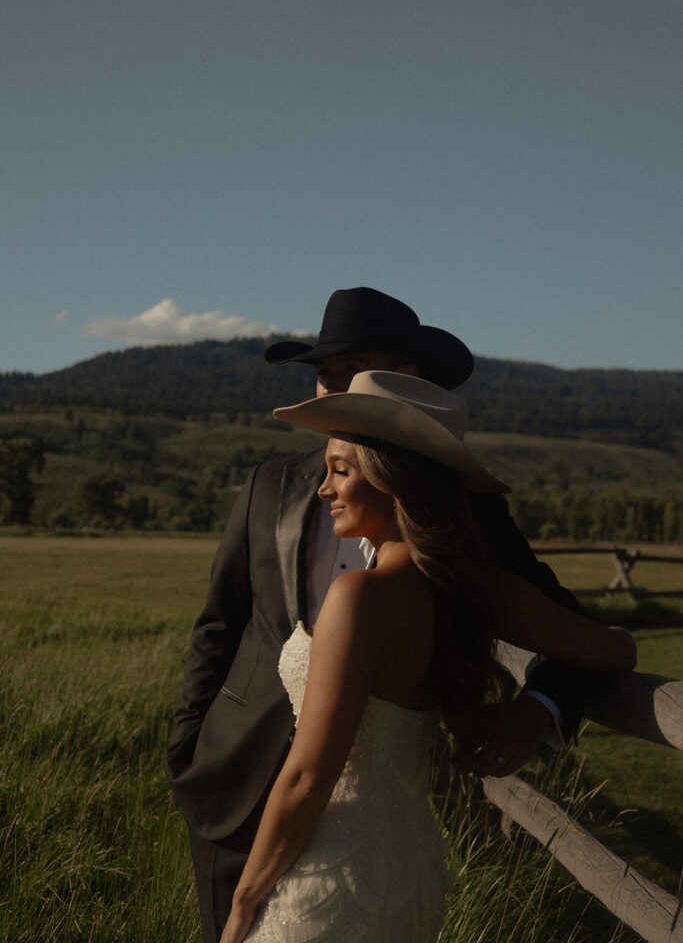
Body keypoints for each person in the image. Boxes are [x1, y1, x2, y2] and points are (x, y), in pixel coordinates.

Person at [165, 287, 587, 943]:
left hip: (364, 836)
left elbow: (575, 629)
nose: (331, 387)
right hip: (237, 785)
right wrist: (189, 745)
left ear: (403, 379)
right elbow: (220, 625)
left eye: (350, 371)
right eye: (322, 373)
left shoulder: (465, 513)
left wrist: (537, 712)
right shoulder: (270, 485)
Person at [218, 371, 636, 943]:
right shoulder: (477, 590)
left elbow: (308, 776)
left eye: (341, 470)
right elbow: (617, 649)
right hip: (413, 871)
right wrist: (537, 705)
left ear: (393, 478)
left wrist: (244, 899)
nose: (323, 489)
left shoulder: (358, 598)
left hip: (332, 876)